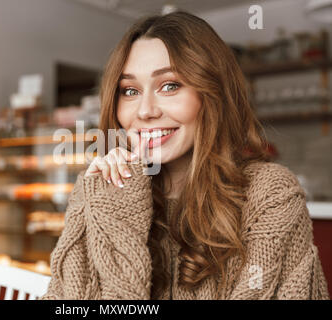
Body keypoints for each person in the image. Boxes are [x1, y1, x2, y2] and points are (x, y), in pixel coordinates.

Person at [40, 10, 329, 300]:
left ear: (213, 94)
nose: (145, 111)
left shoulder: (270, 196)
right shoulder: (98, 190)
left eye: (170, 86)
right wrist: (112, 209)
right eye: (129, 91)